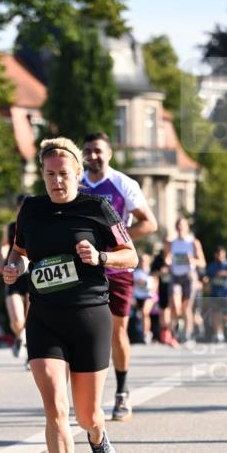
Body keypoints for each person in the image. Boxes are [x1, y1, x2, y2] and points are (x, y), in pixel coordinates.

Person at [4, 136, 137, 453]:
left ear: (77, 173)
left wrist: (101, 257)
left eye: (63, 174)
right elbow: (21, 251)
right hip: (44, 317)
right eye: (49, 175)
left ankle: (98, 437)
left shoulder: (98, 208)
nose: (56, 181)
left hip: (89, 318)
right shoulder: (31, 210)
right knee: (55, 410)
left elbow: (131, 256)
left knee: (87, 414)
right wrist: (14, 267)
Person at [81, 133, 157, 421]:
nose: (93, 156)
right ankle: (88, 398)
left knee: (116, 331)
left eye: (98, 150)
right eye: (88, 151)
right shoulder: (76, 183)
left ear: (109, 154)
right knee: (85, 332)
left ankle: (122, 392)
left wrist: (117, 242)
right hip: (85, 268)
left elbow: (149, 223)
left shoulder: (123, 184)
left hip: (117, 268)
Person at [165, 217, 205, 346]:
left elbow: (203, 263)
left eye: (182, 225)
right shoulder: (171, 242)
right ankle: (176, 332)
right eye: (178, 225)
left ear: (187, 227)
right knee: (176, 307)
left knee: (187, 307)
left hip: (189, 276)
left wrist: (192, 260)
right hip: (175, 276)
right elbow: (167, 259)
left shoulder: (193, 242)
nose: (180, 228)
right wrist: (167, 261)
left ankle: (188, 335)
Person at [0, 194, 29, 358]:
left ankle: (30, 350)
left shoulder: (37, 226)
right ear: (17, 208)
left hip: (32, 276)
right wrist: (2, 260)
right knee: (17, 321)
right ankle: (20, 337)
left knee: (31, 319)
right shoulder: (10, 227)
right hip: (14, 273)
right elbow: (4, 245)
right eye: (21, 207)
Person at [203, 246, 227, 342]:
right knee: (216, 314)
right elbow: (206, 276)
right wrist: (205, 281)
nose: (220, 256)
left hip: (226, 293)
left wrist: (224, 273)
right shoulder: (212, 265)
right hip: (215, 293)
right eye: (218, 254)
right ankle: (218, 334)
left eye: (222, 254)